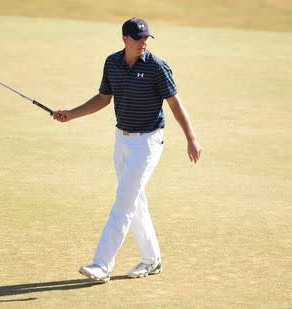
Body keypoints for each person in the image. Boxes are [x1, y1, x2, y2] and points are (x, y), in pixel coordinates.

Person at [52, 17, 202, 283]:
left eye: (146, 38)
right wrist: (72, 114)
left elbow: (174, 103)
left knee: (123, 202)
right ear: (125, 39)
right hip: (121, 140)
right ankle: (152, 260)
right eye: (138, 38)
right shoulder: (112, 63)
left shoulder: (157, 67)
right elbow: (103, 98)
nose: (143, 43)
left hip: (148, 144)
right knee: (134, 201)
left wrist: (191, 138)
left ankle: (102, 265)